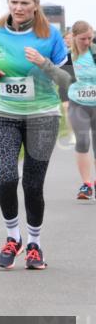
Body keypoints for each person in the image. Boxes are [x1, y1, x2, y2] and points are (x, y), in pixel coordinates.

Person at [0, 0, 70, 270]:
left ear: (35, 5)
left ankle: (35, 244)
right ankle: (12, 237)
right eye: (13, 2)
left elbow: (65, 79)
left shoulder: (50, 35)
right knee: (5, 176)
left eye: (24, 3)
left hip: (42, 116)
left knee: (32, 183)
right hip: (3, 113)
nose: (18, 8)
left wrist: (44, 63)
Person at [63, 20, 96, 200]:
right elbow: (63, 80)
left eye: (90, 38)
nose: (87, 42)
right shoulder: (68, 57)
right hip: (78, 104)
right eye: (83, 38)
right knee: (82, 141)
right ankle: (87, 184)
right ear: (74, 37)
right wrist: (64, 101)